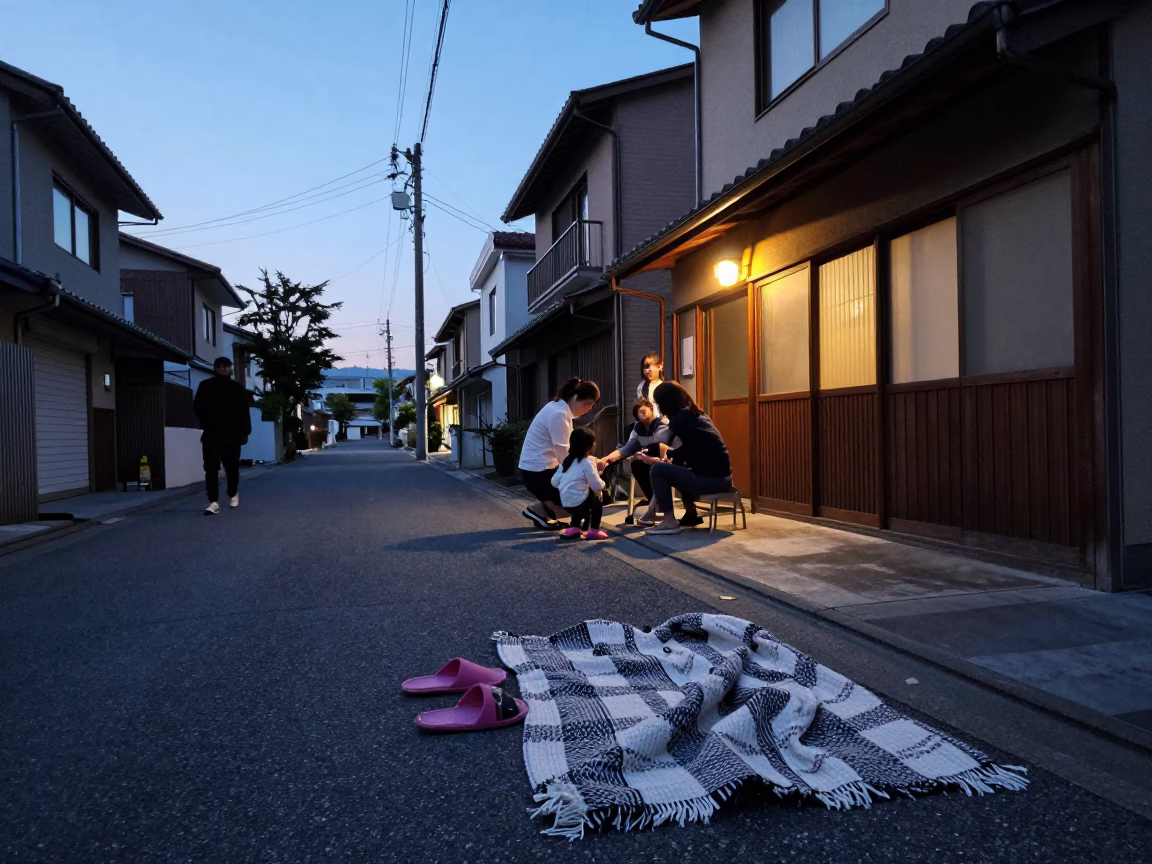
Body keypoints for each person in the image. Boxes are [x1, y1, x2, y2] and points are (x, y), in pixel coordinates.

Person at [635, 381, 732, 535]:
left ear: (664, 403)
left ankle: (669, 521)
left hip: (711, 481)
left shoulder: (679, 420)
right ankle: (690, 513)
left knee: (658, 470)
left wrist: (662, 457)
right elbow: (691, 450)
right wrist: (671, 456)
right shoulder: (696, 414)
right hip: (724, 478)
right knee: (674, 467)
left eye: (657, 403)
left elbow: (674, 447)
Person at [517, 377, 601, 530]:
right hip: (538, 473)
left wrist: (589, 461)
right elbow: (563, 454)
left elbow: (568, 453)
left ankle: (546, 510)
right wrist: (586, 468)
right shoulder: (559, 414)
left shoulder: (558, 409)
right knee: (579, 496)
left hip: (537, 469)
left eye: (591, 405)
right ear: (574, 397)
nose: (587, 409)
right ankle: (539, 508)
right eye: (586, 404)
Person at [599, 398, 680, 517]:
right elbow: (627, 449)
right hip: (649, 462)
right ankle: (655, 502)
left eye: (644, 410)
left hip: (669, 460)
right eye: (639, 412)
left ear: (651, 408)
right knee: (636, 464)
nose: (643, 413)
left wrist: (644, 450)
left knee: (648, 461)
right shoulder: (638, 429)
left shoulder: (663, 424)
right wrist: (606, 459)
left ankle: (661, 504)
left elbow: (660, 444)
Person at [193, 356, 252, 516]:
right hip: (211, 432)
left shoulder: (237, 388)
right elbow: (197, 406)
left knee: (231, 467)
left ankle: (233, 492)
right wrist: (205, 422)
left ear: (230, 368)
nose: (222, 369)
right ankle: (213, 502)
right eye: (219, 366)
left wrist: (245, 432)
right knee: (211, 467)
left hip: (232, 433)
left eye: (225, 366)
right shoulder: (205, 386)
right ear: (215, 368)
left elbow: (244, 411)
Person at [550, 427, 609, 540]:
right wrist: (603, 482)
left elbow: (554, 482)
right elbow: (597, 485)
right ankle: (594, 529)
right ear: (590, 446)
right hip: (580, 503)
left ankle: (575, 527)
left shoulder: (566, 462)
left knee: (581, 495)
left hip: (565, 502)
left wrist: (568, 486)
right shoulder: (587, 463)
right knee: (598, 495)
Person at [636, 353, 665, 418]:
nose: (647, 370)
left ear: (660, 366)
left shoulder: (666, 386)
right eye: (645, 367)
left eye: (649, 366)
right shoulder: (641, 387)